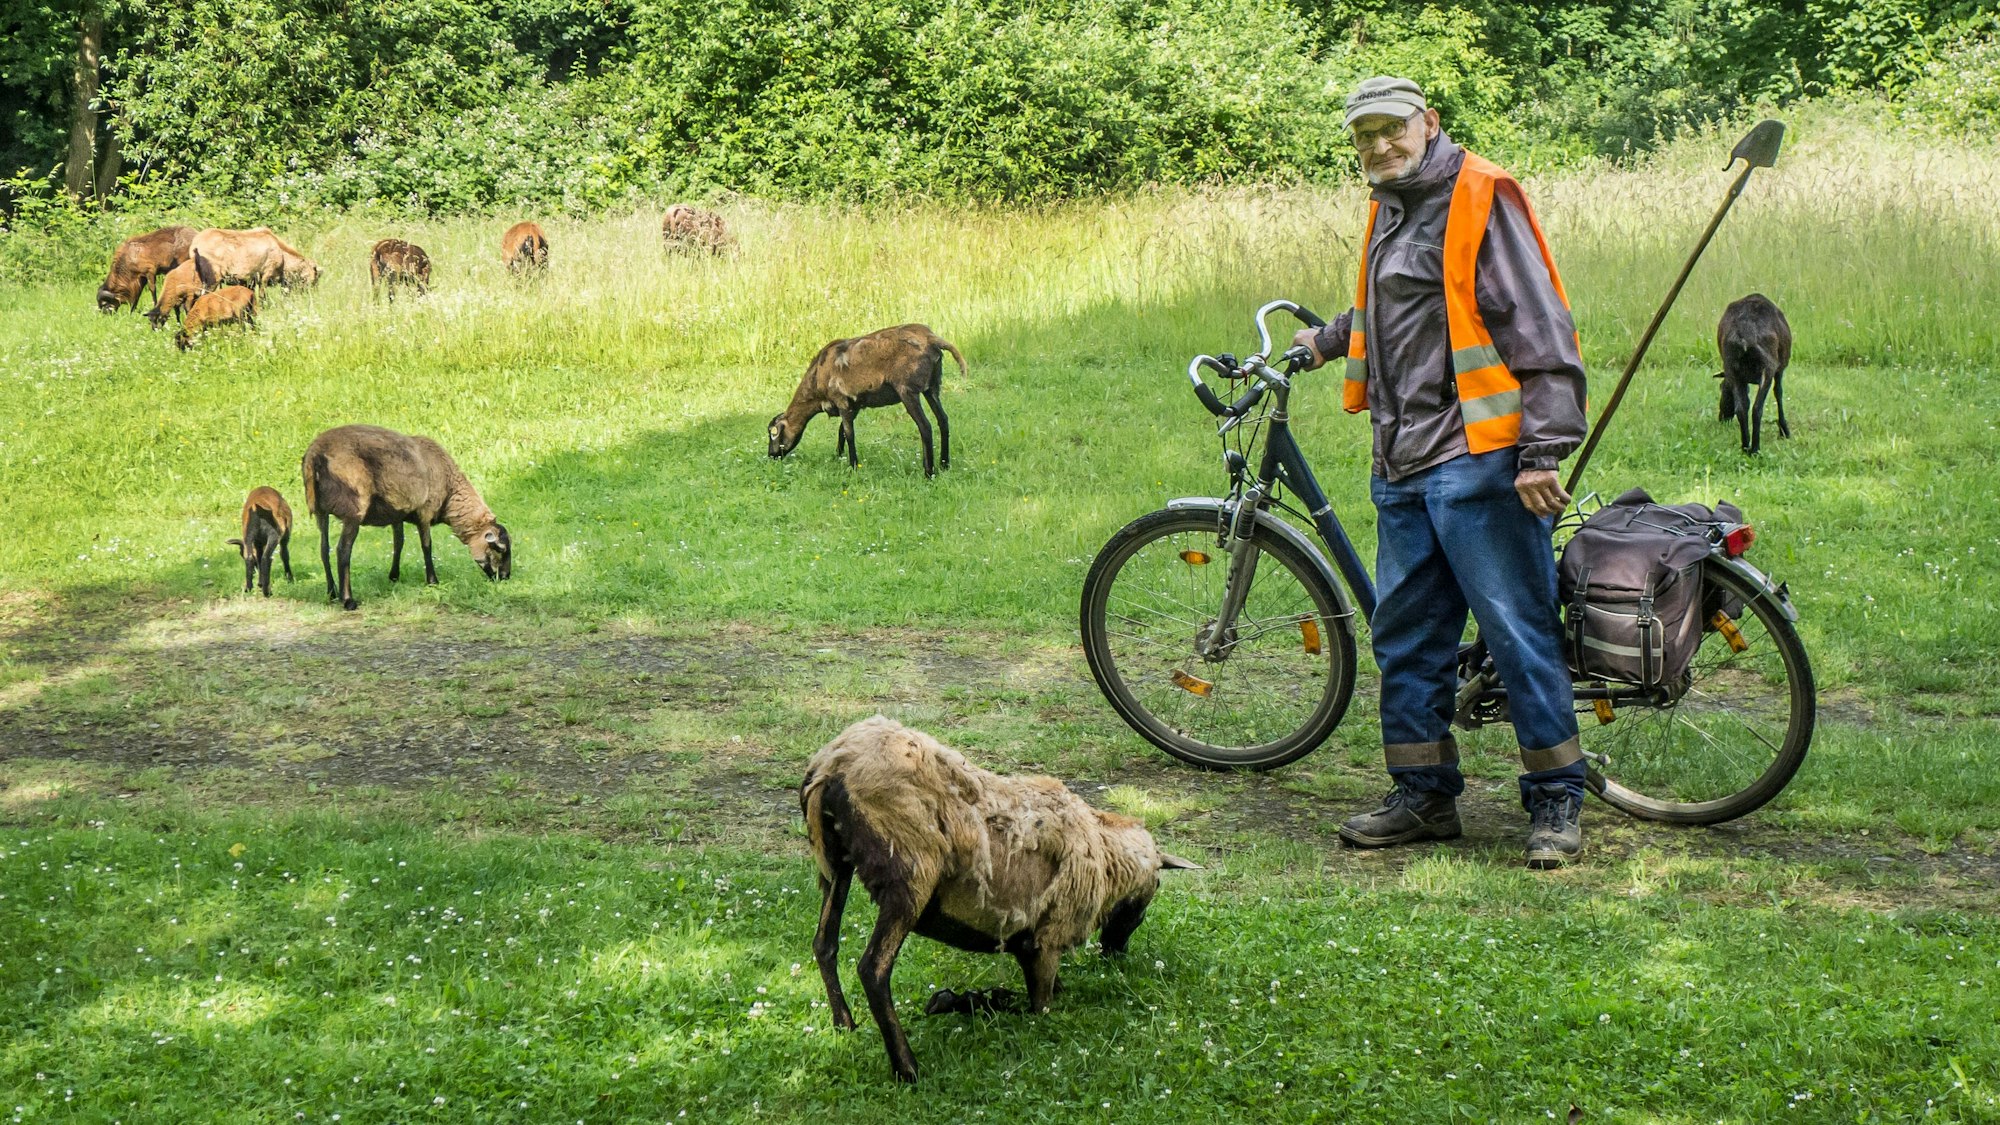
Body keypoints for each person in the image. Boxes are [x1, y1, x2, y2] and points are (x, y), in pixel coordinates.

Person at [1291, 76, 1590, 869]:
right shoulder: (1392, 203)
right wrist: (1322, 341)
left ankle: (1558, 801)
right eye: (1364, 135)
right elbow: (1399, 310)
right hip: (1402, 460)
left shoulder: (1481, 195)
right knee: (1408, 637)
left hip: (1478, 462)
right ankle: (1424, 798)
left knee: (1515, 627)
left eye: (1392, 129)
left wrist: (1542, 451)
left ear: (1428, 123)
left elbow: (1541, 326)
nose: (1379, 145)